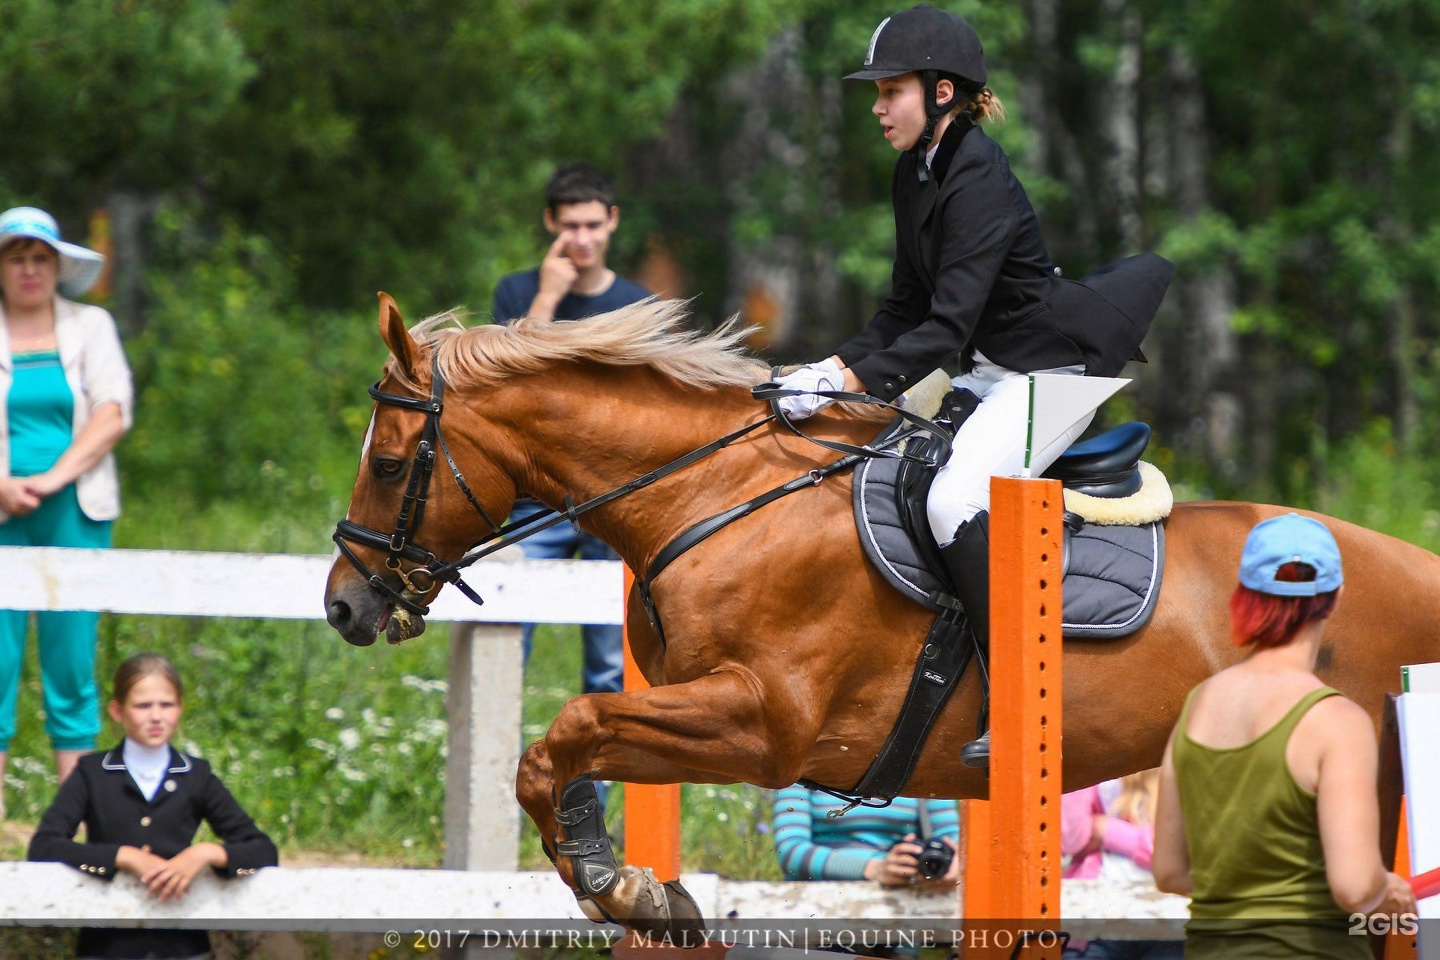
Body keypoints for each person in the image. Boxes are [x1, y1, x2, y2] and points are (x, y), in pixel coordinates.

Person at [771, 4, 1171, 768]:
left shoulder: (978, 176)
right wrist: (824, 371)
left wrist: (844, 379)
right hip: (990, 374)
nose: (879, 105)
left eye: (892, 91)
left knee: (957, 498)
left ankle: (1018, 695)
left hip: (1049, 377)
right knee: (884, 463)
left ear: (942, 92)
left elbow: (946, 327)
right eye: (877, 92)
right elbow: (902, 310)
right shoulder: (916, 172)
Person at [1151, 513, 1417, 958]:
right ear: (1334, 599)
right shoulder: (1337, 721)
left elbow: (1170, 871)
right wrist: (1384, 888)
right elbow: (1354, 887)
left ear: (1245, 597)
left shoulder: (1197, 706)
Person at [492, 164, 651, 704]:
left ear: (612, 221)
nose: (582, 239)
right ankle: (492, 781)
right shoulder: (516, 292)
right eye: (570, 226)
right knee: (507, 638)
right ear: (549, 223)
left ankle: (594, 791)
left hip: (613, 498)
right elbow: (506, 384)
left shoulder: (639, 304)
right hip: (536, 499)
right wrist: (547, 297)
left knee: (610, 665)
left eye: (592, 225)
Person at [0, 205, 133, 811]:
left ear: (57, 266)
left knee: (71, 664)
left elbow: (112, 412)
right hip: (2, 510)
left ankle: (75, 826)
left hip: (73, 509)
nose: (29, 270)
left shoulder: (91, 326)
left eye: (40, 258)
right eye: (16, 257)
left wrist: (50, 478)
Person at [29, 652, 278, 959]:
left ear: (180, 708)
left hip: (183, 946)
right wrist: (121, 856)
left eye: (167, 704)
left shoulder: (196, 774)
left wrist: (206, 853)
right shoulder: (91, 772)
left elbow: (264, 851)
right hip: (106, 947)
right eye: (143, 705)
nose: (156, 716)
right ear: (117, 711)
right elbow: (43, 847)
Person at [772, 785, 959, 958]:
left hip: (895, 924)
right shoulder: (805, 763)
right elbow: (791, 850)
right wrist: (874, 869)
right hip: (813, 920)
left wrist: (949, 866)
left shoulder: (922, 767)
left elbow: (955, 842)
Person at [1061, 771, 1182, 959]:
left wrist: (1105, 830)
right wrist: (1075, 768)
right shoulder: (1101, 777)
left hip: (1169, 922)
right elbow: (1071, 841)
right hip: (1097, 922)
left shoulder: (1179, 764)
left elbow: (1181, 850)